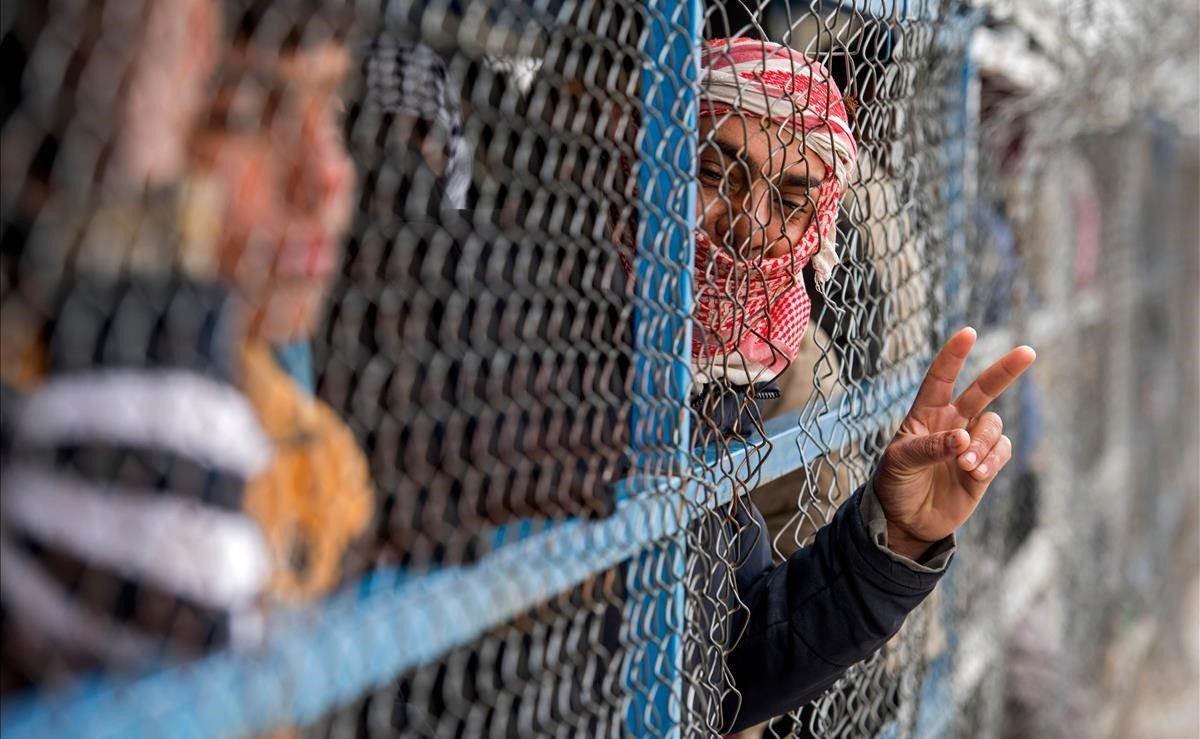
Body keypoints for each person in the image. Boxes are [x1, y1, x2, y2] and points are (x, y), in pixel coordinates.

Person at [679, 38, 1036, 731]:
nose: (751, 226)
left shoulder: (749, 371)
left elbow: (729, 669)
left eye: (789, 199)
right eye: (715, 171)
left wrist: (894, 542)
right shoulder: (555, 357)